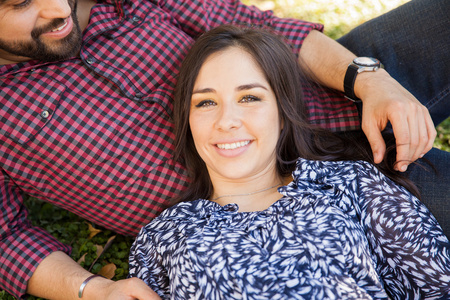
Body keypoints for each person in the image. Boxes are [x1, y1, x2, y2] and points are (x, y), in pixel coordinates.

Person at [0, 0, 448, 298]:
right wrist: (92, 289)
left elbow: (263, 29)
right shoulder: (183, 240)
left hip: (326, 92)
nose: (60, 9)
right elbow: (6, 238)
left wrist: (368, 79)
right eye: (20, 2)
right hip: (293, 201)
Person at [128, 24, 450, 299]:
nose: (226, 121)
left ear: (282, 114)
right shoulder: (163, 236)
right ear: (188, 120)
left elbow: (438, 284)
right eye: (206, 102)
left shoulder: (349, 183)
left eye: (249, 98)